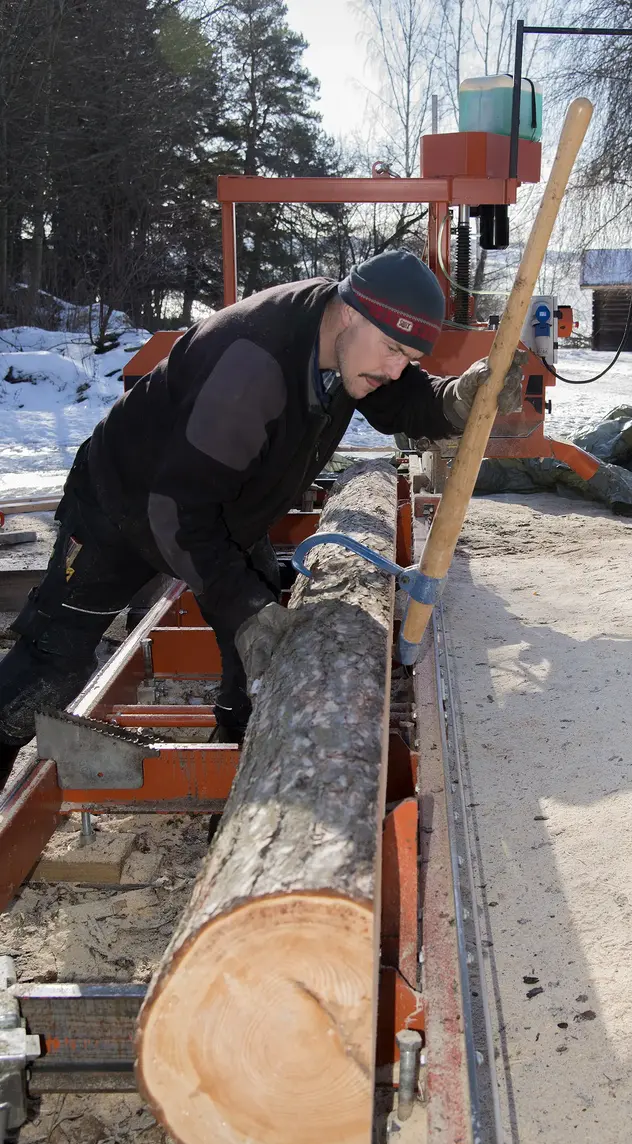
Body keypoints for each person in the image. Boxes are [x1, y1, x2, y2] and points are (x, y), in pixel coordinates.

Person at [0, 249, 520, 790]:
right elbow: (176, 512)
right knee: (51, 663)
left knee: (257, 654)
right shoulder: (252, 366)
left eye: (407, 358)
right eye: (393, 350)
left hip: (222, 506)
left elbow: (403, 401)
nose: (394, 370)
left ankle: (239, 773)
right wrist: (244, 609)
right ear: (350, 311)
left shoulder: (349, 341)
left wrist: (459, 399)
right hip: (122, 505)